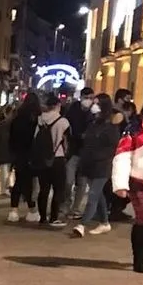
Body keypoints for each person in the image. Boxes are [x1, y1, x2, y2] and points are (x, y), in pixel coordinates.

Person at [112, 92, 143, 273]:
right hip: (139, 180)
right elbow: (123, 155)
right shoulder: (135, 127)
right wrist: (120, 184)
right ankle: (139, 258)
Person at [72, 94, 121, 238]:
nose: (94, 106)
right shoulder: (93, 123)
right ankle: (104, 222)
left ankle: (82, 224)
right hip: (89, 164)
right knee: (98, 195)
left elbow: (112, 147)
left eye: (97, 103)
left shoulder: (111, 127)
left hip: (102, 165)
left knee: (93, 195)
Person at [33, 94, 71, 227]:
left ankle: (42, 217)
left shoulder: (40, 120)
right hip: (58, 158)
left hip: (42, 158)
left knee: (44, 188)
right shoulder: (63, 122)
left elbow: (35, 139)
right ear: (57, 106)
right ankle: (54, 217)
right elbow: (67, 142)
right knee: (58, 189)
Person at [7, 92, 42, 222]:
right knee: (30, 184)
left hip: (19, 155)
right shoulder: (37, 119)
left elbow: (11, 138)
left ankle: (14, 211)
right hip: (33, 155)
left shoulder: (17, 118)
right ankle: (32, 210)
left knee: (19, 182)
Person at [64, 87, 95, 217]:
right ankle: (65, 204)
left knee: (82, 183)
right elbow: (67, 129)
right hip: (72, 151)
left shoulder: (94, 112)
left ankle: (76, 208)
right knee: (68, 181)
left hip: (86, 153)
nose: (88, 101)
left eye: (91, 98)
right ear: (81, 97)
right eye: (86, 98)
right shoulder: (72, 110)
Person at [0, 105, 16, 195]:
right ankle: (9, 187)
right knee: (10, 170)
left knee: (5, 170)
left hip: (3, 149)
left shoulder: (1, 124)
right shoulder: (14, 123)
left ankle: (4, 189)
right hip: (11, 149)